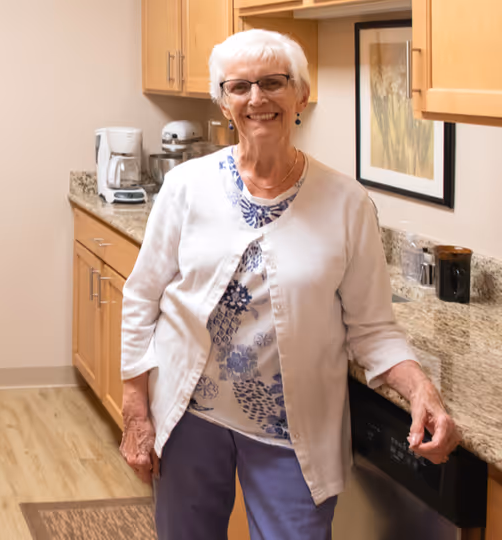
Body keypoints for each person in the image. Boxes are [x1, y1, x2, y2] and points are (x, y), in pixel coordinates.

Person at [118, 29, 461, 539]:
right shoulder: (186, 186)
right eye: (240, 87)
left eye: (273, 83)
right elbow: (142, 297)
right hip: (188, 416)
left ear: (300, 93)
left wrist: (421, 389)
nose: (257, 99)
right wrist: (136, 409)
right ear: (223, 101)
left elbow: (372, 329)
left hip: (292, 432)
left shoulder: (347, 203)